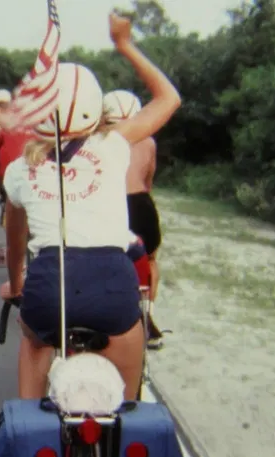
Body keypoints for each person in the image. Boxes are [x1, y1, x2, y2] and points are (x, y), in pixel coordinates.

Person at [0, 13, 181, 457]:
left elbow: (14, 233)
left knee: (32, 365)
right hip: (110, 286)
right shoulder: (116, 145)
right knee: (127, 410)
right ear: (97, 112)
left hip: (48, 288)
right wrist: (125, 45)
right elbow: (169, 97)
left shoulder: (19, 169)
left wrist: (18, 280)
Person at [103, 89, 165, 349]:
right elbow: (148, 180)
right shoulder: (148, 141)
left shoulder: (101, 140)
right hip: (140, 202)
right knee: (149, 258)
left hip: (111, 203)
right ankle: (147, 312)